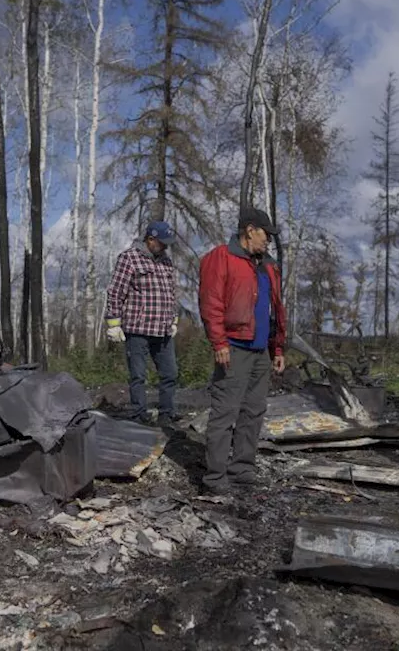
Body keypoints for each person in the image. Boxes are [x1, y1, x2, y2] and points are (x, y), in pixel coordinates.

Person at [197, 208, 287, 493]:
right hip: (234, 347)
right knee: (225, 413)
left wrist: (278, 347)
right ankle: (215, 477)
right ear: (250, 230)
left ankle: (242, 468)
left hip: (261, 350)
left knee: (254, 411)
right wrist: (219, 342)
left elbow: (276, 309)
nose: (268, 241)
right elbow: (210, 303)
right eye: (266, 234)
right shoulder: (221, 258)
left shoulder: (268, 265)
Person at [105, 220, 180, 428]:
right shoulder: (129, 258)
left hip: (163, 329)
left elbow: (172, 293)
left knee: (170, 373)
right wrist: (113, 323)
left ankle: (167, 413)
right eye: (161, 242)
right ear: (150, 239)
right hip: (138, 328)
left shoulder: (166, 262)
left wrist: (173, 319)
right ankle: (139, 415)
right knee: (138, 375)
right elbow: (115, 291)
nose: (164, 247)